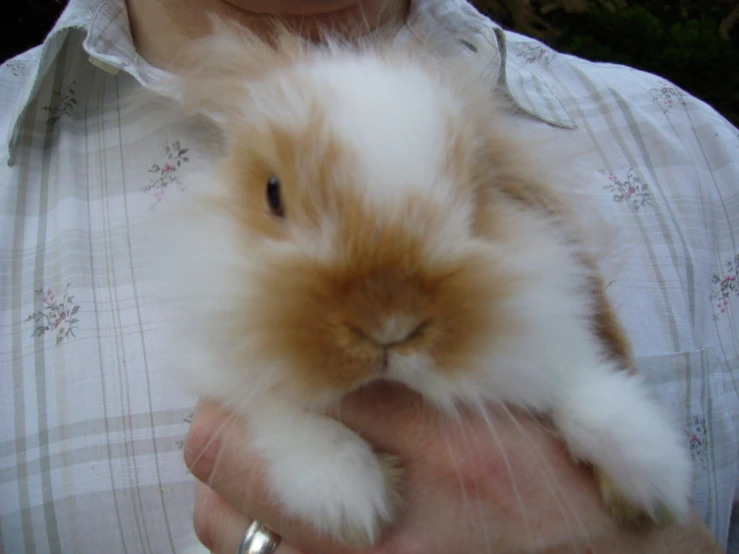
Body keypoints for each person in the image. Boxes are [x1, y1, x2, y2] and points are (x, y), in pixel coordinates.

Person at [0, 0, 736, 553]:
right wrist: (295, 440)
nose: (385, 322)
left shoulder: (700, 151)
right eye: (283, 201)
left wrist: (584, 398)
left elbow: (571, 342)